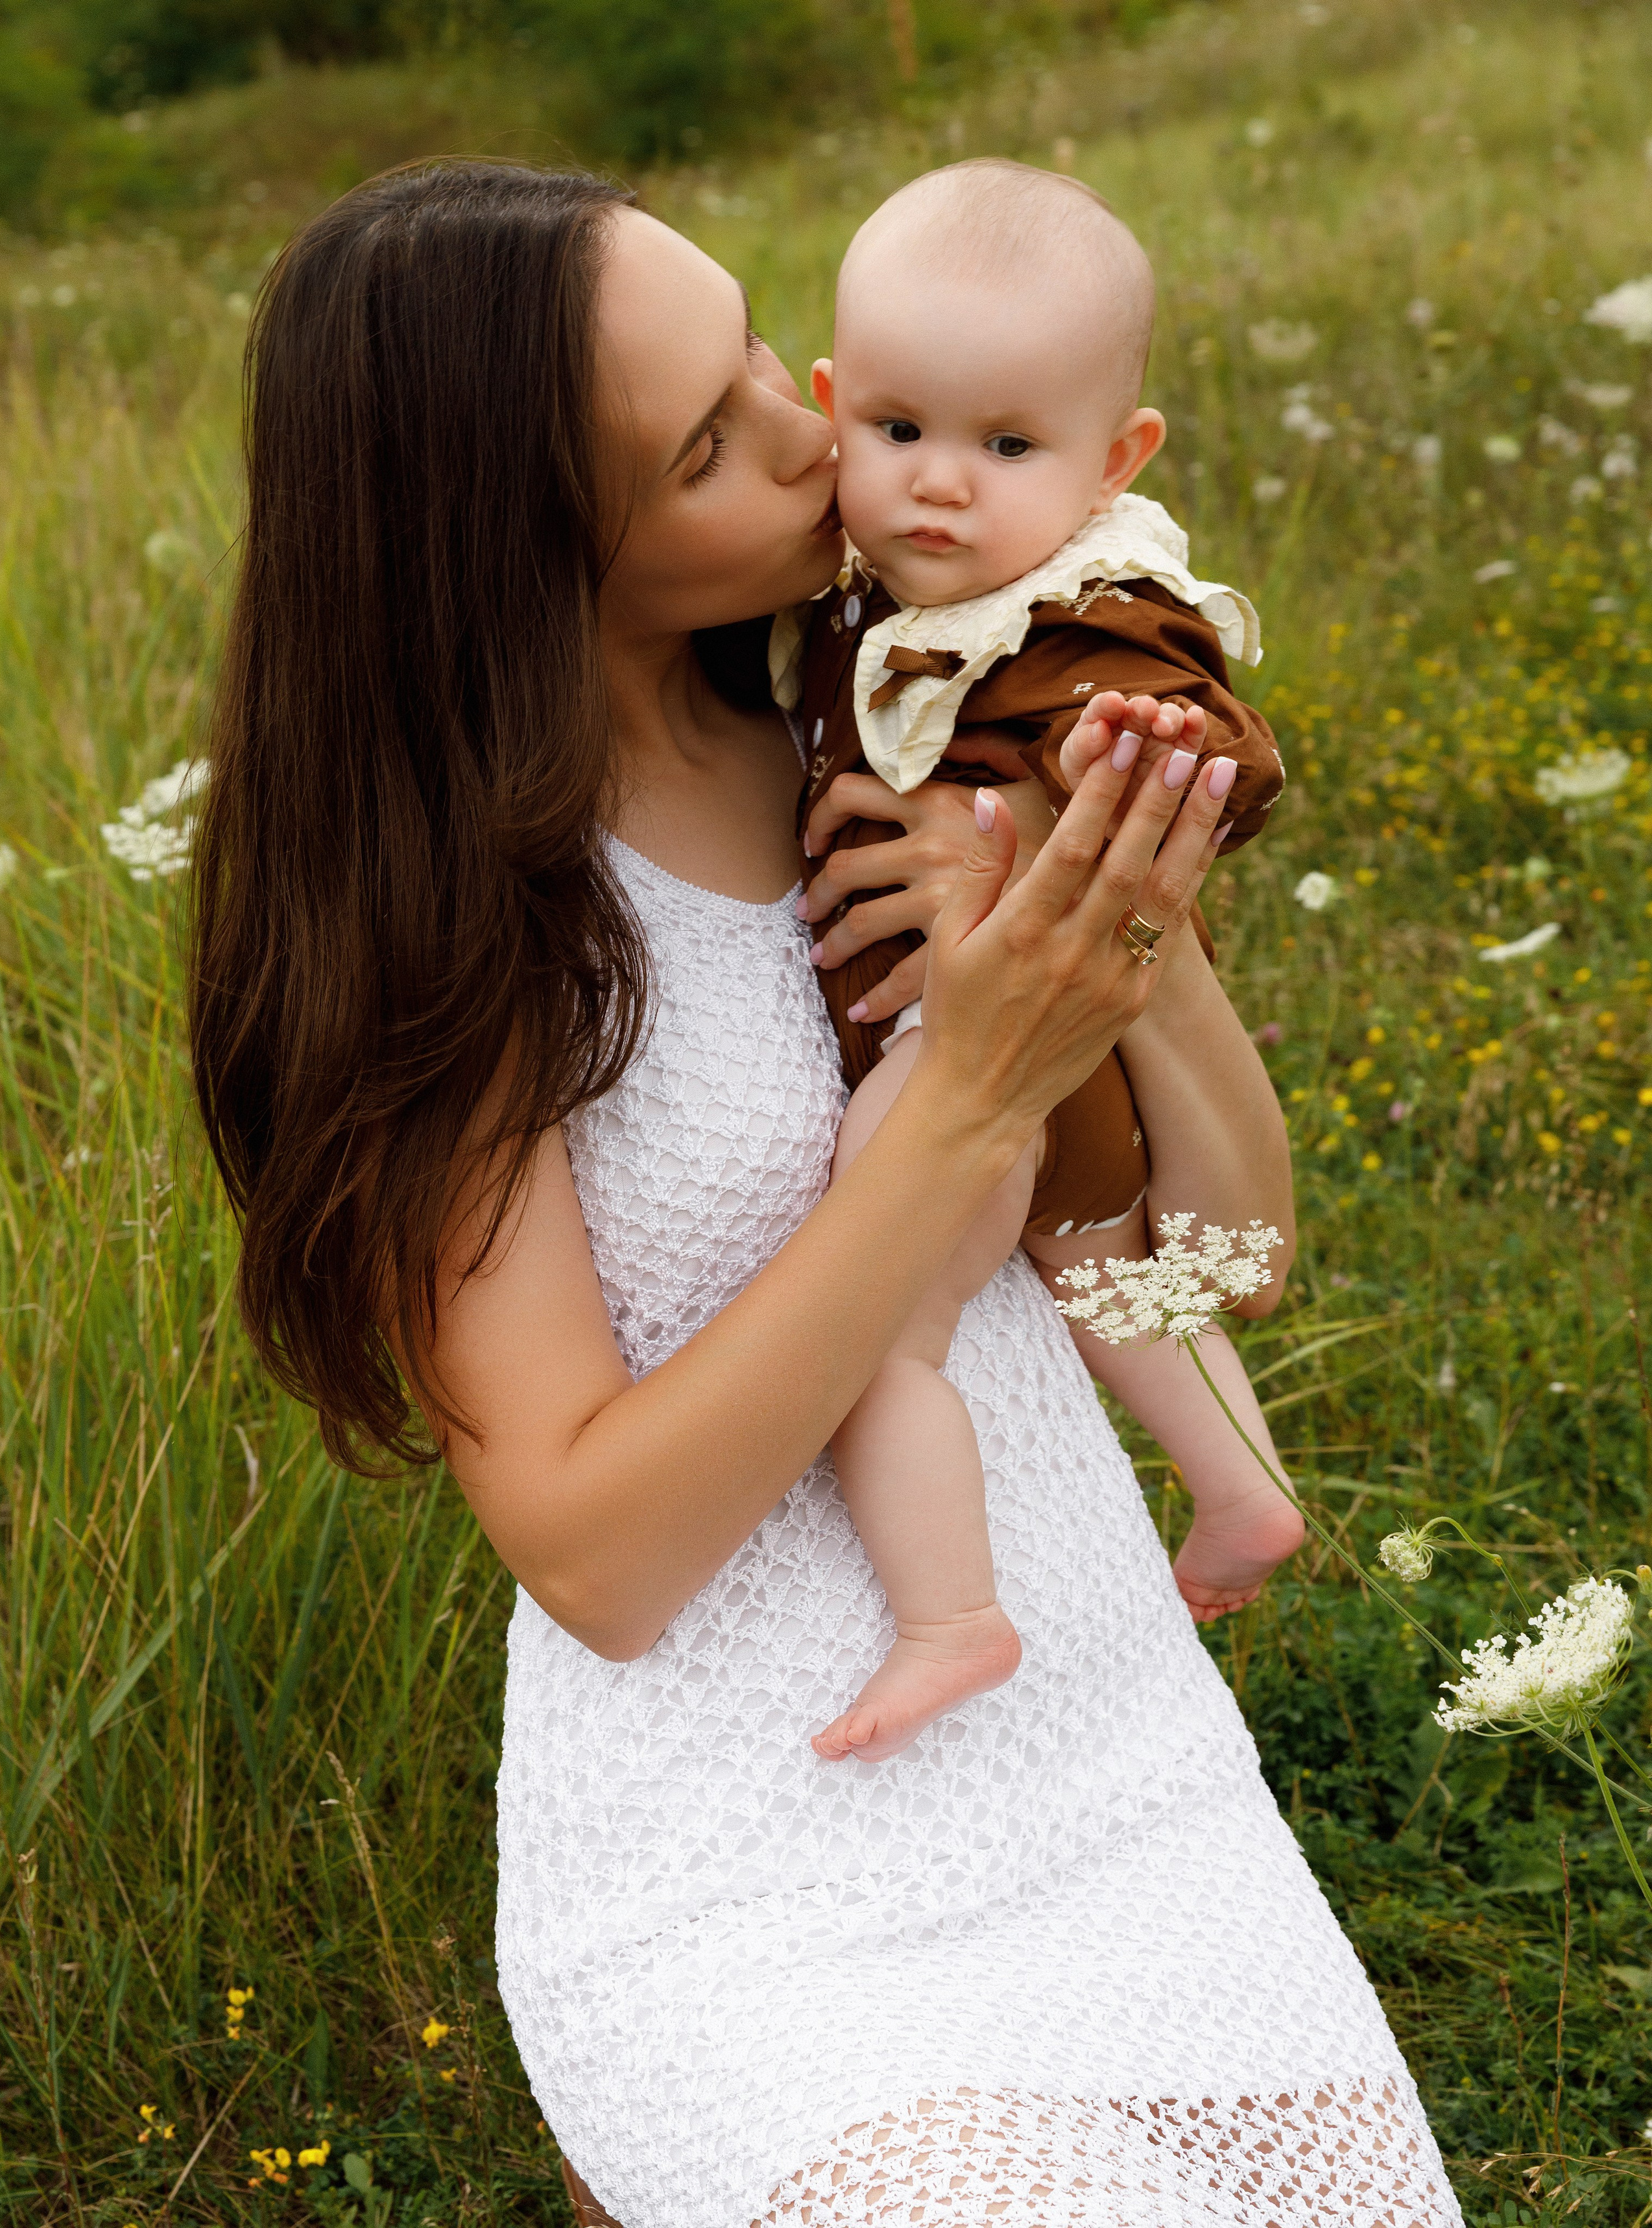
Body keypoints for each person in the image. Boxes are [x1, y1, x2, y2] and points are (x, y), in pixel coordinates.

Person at [189, 162, 1463, 2228]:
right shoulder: (463, 937)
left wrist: (1107, 953)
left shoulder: (893, 729)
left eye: (767, 356)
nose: (819, 430)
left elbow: (1216, 1263)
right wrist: (971, 1080)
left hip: (1112, 1779)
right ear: (522, 548)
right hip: (757, 1869)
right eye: (708, 444)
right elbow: (598, 1553)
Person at [778, 160, 1299, 1765]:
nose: (940, 483)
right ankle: (1240, 1494)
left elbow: (1216, 747)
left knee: (877, 1322)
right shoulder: (866, 583)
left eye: (1006, 446)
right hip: (1049, 1066)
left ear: (1112, 462)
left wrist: (1113, 750)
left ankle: (950, 1614)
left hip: (986, 1049)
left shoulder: (1086, 616)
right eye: (898, 429)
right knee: (1102, 1268)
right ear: (831, 406)